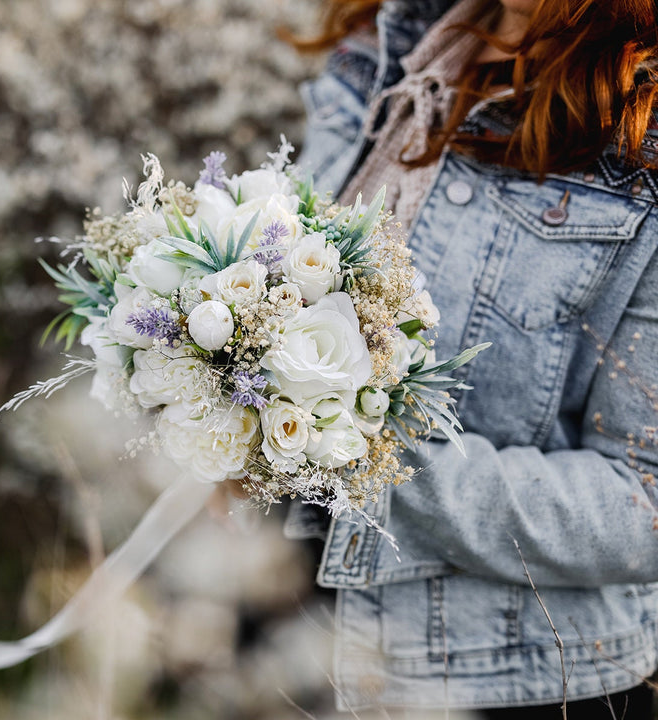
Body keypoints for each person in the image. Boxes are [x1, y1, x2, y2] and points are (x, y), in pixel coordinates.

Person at [281, 0, 658, 716]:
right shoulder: (391, 40)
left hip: (502, 680)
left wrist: (355, 456)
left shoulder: (643, 139)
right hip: (291, 625)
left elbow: (644, 508)